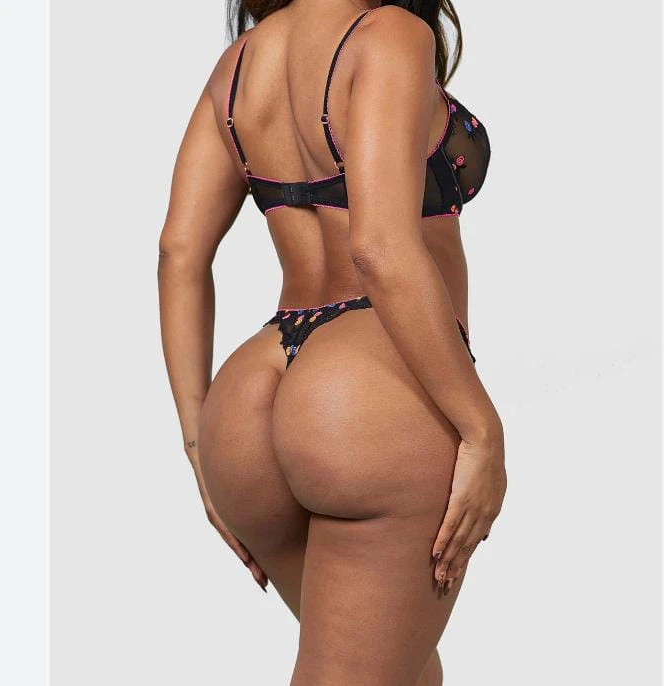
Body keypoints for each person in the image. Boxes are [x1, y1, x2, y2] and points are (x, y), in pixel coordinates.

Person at [158, 1, 507, 683]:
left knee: (407, 671)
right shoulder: (389, 34)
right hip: (367, 388)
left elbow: (179, 253)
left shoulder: (238, 67)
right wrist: (480, 429)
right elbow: (378, 245)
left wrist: (200, 446)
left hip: (250, 398)